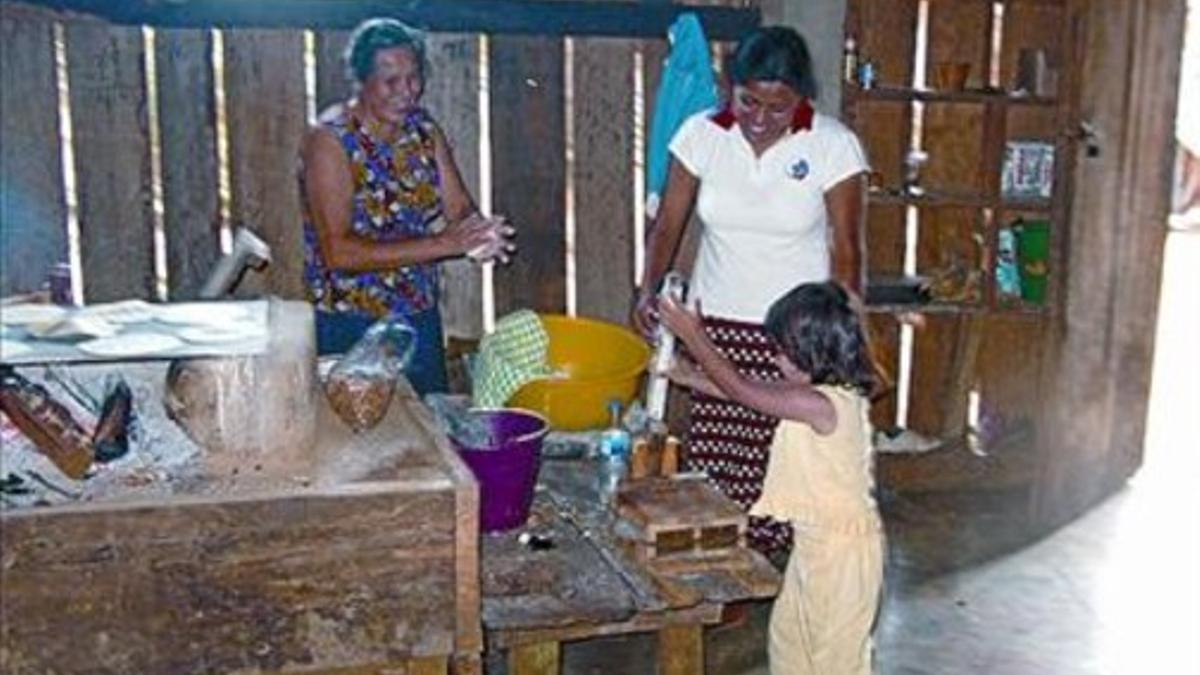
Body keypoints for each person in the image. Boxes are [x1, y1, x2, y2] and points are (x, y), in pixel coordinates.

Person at [632, 26, 869, 556]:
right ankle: (725, 568)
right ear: (730, 88)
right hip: (713, 323)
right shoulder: (703, 133)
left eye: (779, 107)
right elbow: (668, 225)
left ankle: (785, 569)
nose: (760, 119)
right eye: (748, 102)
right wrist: (646, 291)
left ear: (802, 99)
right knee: (719, 460)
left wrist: (845, 341)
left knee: (783, 460)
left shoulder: (832, 145)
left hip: (795, 338)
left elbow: (848, 251)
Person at [660, 281, 883, 675]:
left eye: (783, 352)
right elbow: (751, 391)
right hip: (814, 548)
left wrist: (694, 337)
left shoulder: (824, 404)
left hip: (845, 556)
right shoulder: (814, 393)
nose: (776, 359)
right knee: (790, 644)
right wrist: (688, 376)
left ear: (814, 352)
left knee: (834, 659)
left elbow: (746, 391)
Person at [301, 18, 511, 395]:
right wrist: (446, 245)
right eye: (391, 81)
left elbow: (459, 208)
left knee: (424, 431)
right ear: (361, 80)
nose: (406, 92)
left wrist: (480, 234)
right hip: (350, 323)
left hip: (416, 317)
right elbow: (338, 252)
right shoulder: (330, 141)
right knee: (357, 442)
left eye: (413, 78)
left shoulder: (423, 131)